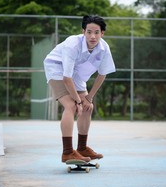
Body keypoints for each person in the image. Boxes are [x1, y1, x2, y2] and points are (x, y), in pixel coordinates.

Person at [43, 15, 116, 163]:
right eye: (89, 32)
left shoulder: (104, 48)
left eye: (96, 32)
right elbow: (66, 78)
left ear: (102, 33)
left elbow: (102, 74)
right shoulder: (72, 44)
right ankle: (68, 152)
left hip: (76, 74)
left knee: (88, 107)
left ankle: (82, 148)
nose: (92, 36)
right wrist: (77, 100)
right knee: (71, 106)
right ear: (83, 32)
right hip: (57, 68)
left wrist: (88, 98)